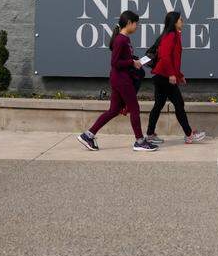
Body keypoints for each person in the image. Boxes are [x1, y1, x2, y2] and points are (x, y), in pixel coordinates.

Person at [77, 10, 158, 152]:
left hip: (119, 79)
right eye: (136, 24)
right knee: (135, 109)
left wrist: (134, 61)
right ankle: (139, 141)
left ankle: (88, 135)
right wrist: (132, 63)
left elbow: (122, 60)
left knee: (114, 110)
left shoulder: (124, 39)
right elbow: (115, 62)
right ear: (129, 23)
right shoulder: (121, 40)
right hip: (122, 80)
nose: (137, 27)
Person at [144, 11, 207, 145]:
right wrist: (172, 74)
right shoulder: (171, 35)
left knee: (159, 105)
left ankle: (150, 134)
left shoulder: (173, 35)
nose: (182, 21)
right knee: (179, 104)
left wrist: (179, 75)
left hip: (162, 75)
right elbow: (165, 57)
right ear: (174, 22)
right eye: (180, 19)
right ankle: (189, 134)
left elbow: (174, 59)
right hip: (165, 76)